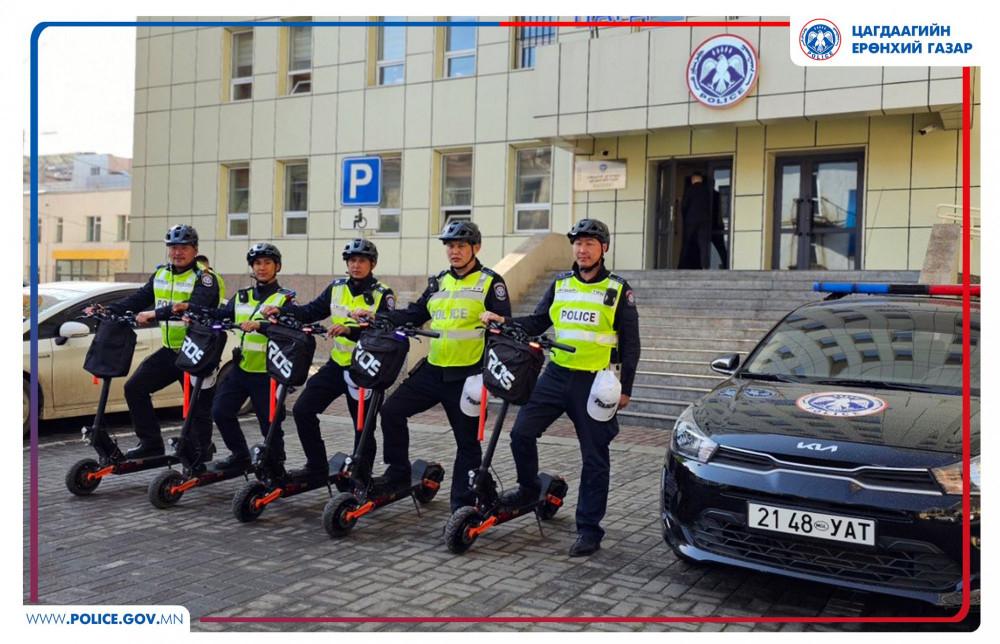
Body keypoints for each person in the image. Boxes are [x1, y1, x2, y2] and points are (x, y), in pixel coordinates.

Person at [480, 218, 640, 557]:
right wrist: (506, 321)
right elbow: (539, 321)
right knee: (520, 433)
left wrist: (626, 387)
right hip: (556, 375)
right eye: (578, 243)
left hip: (595, 380)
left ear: (604, 249)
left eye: (590, 244)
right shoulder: (561, 283)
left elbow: (631, 343)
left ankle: (589, 530)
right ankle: (528, 489)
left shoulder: (618, 289)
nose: (582, 249)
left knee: (594, 458)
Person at [359, 220, 511, 512]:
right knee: (391, 411)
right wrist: (381, 317)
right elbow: (416, 313)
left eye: (461, 246)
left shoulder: (491, 282)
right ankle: (398, 472)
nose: (454, 251)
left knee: (467, 443)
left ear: (475, 248)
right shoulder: (439, 281)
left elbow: (502, 329)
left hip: (467, 374)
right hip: (433, 368)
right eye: (450, 246)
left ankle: (462, 507)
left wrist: (488, 374)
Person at [264, 238, 395, 484]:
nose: (356, 265)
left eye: (362, 261)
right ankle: (316, 466)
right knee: (303, 410)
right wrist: (283, 311)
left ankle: (361, 476)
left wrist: (351, 331)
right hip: (337, 365)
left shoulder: (382, 294)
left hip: (366, 368)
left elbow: (385, 332)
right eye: (352, 260)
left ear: (372, 264)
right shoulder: (336, 287)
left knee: (362, 427)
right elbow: (310, 311)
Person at [101, 224, 223, 460]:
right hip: (171, 352)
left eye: (184, 248)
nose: (178, 252)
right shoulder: (161, 274)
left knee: (197, 405)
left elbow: (198, 305)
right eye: (173, 247)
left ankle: (201, 450)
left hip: (197, 351)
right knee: (135, 388)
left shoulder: (205, 279)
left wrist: (154, 315)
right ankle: (150, 444)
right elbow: (138, 299)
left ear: (195, 250)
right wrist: (106, 309)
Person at [175, 243, 294, 470]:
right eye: (257, 263)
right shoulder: (242, 296)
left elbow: (289, 329)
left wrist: (261, 326)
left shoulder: (285, 298)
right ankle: (240, 455)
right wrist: (192, 311)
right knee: (220, 412)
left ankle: (275, 462)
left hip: (268, 373)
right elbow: (221, 315)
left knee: (269, 424)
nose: (262, 268)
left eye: (267, 263)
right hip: (242, 369)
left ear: (277, 266)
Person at [679, 171, 712, 269]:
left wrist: (684, 216)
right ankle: (705, 267)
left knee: (687, 242)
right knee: (703, 245)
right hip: (705, 221)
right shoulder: (707, 190)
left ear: (693, 179)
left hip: (691, 220)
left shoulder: (690, 189)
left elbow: (684, 205)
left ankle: (682, 267)